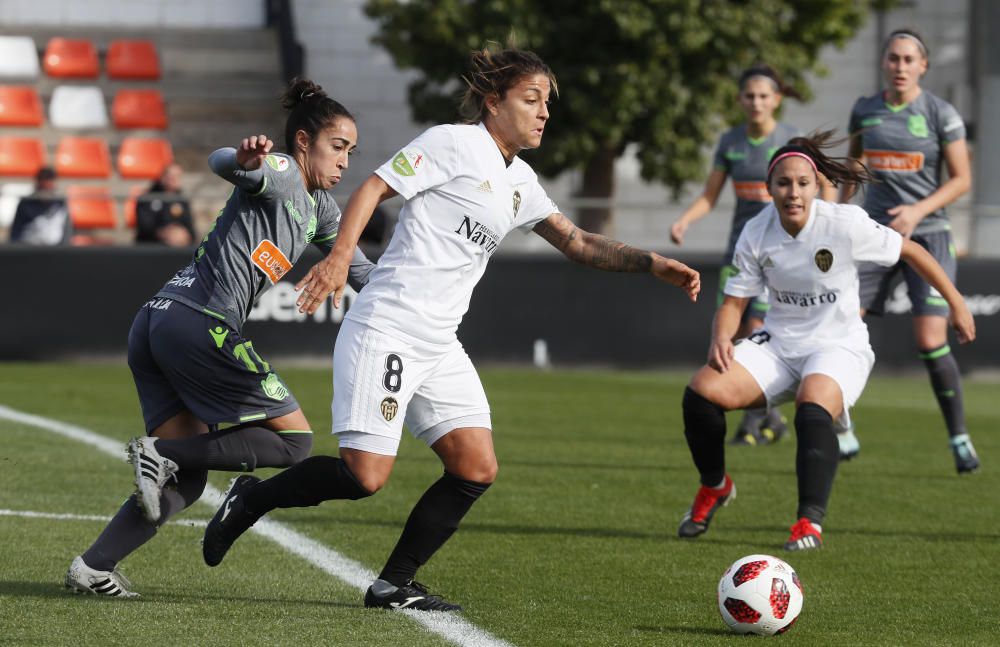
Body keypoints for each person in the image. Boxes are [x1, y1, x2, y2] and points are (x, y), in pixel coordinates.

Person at [200, 44, 701, 612]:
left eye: (547, 104)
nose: (544, 113)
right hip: (387, 326)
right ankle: (249, 500)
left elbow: (579, 242)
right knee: (365, 476)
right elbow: (372, 188)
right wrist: (341, 255)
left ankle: (393, 584)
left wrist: (651, 263)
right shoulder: (452, 142)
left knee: (476, 467)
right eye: (531, 99)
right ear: (493, 101)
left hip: (439, 344)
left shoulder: (522, 183)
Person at [64, 78, 376, 597]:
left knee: (187, 477)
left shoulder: (319, 210)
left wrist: (417, 288)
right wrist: (244, 161)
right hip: (199, 323)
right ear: (303, 142)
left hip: (159, 320)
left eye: (351, 152)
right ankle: (159, 451)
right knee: (296, 443)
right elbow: (220, 162)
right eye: (338, 147)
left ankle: (93, 567)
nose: (346, 162)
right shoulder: (280, 172)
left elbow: (361, 271)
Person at [677, 131, 974, 552]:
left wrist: (957, 304)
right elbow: (733, 303)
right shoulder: (756, 232)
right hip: (779, 346)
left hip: (838, 346)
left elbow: (914, 252)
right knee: (701, 393)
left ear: (816, 185)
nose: (792, 192)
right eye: (783, 183)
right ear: (769, 187)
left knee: (811, 407)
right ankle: (715, 487)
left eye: (802, 183)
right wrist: (720, 337)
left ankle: (807, 523)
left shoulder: (843, 223)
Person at [840, 28, 978, 472]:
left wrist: (917, 212)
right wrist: (837, 212)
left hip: (929, 234)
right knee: (839, 325)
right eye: (893, 58)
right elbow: (854, 165)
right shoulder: (865, 109)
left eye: (908, 60)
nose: (900, 66)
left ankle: (958, 437)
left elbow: (962, 179)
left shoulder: (940, 113)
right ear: (884, 62)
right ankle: (841, 424)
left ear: (923, 66)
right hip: (874, 234)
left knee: (929, 339)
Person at [670, 65, 829, 447]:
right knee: (738, 331)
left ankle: (753, 423)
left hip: (780, 253)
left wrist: (825, 229)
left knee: (757, 329)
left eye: (763, 96)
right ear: (740, 100)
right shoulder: (730, 141)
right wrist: (684, 221)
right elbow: (711, 195)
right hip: (740, 252)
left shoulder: (791, 139)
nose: (756, 102)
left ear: (776, 99)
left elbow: (820, 188)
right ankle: (771, 417)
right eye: (749, 96)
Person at [134, 162, 196, 246]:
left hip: (180, 245)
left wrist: (184, 234)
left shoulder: (182, 201)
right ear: (163, 178)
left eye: (178, 176)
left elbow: (190, 228)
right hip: (152, 245)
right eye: (171, 176)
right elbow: (145, 227)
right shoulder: (147, 198)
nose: (174, 180)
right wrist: (164, 233)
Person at [9, 166, 71, 245]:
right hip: (29, 249)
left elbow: (67, 231)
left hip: (55, 250)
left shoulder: (61, 204)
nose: (46, 187)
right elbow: (16, 232)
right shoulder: (26, 203)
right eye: (43, 186)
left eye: (49, 182)